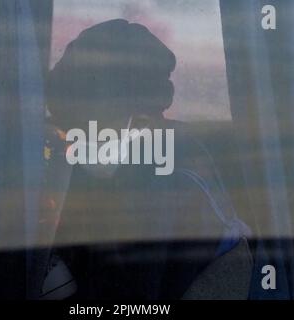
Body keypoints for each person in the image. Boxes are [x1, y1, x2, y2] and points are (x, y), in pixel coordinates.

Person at [45, 19, 251, 300]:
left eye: (84, 131)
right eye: (63, 130)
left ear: (141, 120)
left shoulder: (169, 185)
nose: (71, 145)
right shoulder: (115, 165)